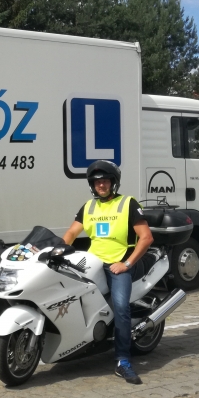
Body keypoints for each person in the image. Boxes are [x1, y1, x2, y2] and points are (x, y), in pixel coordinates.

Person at [62, 160, 153, 384]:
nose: (101, 185)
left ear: (113, 183)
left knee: (121, 307)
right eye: (97, 182)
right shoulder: (88, 207)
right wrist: (58, 250)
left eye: (105, 181)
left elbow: (146, 237)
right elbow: (71, 234)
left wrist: (127, 264)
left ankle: (123, 361)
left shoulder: (127, 204)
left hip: (118, 265)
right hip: (92, 262)